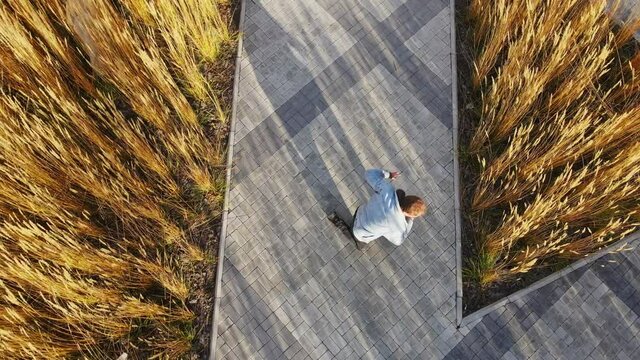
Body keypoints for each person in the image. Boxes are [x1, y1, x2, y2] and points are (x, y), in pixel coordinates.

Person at [329, 168, 426, 249]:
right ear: (410, 214)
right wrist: (410, 221)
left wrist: (389, 175)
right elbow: (398, 241)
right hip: (360, 233)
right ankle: (339, 223)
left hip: (360, 213)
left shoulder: (387, 189)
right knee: (358, 245)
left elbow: (369, 174)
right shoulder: (398, 226)